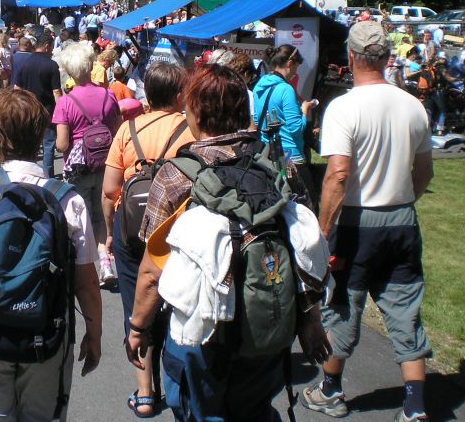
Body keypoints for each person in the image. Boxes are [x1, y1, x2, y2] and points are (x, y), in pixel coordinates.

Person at [125, 64, 331, 421]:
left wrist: (138, 328)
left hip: (200, 334)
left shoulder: (175, 177)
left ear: (194, 112)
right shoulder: (277, 167)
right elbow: (302, 250)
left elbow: (152, 270)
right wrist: (311, 320)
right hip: (266, 327)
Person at [0, 88, 102, 421]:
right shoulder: (68, 200)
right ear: (42, 132)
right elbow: (86, 281)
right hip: (46, 334)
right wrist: (94, 333)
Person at [301, 20, 433, 422]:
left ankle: (330, 390)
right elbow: (425, 172)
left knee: (342, 305)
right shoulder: (413, 105)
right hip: (402, 218)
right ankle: (414, 406)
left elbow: (338, 175)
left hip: (359, 223)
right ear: (388, 57)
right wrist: (400, 196)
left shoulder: (343, 107)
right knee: (405, 306)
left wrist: (323, 233)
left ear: (351, 57)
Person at [102, 62, 194, 417]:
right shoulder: (190, 129)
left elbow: (110, 190)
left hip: (132, 230)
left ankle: (144, 393)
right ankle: (176, 382)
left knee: (135, 308)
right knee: (178, 304)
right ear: (178, 94)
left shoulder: (128, 131)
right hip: (176, 231)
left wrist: (110, 232)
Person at [53, 42, 121, 286]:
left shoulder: (65, 102)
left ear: (69, 71)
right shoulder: (108, 95)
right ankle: (106, 263)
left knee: (78, 217)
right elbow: (116, 129)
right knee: (102, 216)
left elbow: (61, 145)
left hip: (78, 169)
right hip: (105, 164)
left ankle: (83, 269)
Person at [252, 45, 317, 207]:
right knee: (307, 204)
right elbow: (296, 128)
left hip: (267, 153)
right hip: (290, 156)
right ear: (289, 63)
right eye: (296, 67)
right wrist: (304, 110)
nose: (296, 72)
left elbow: (257, 117)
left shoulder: (259, 85)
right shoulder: (285, 89)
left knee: (280, 203)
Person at [12, 32, 63, 178]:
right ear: (47, 46)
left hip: (28, 111)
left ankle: (30, 174)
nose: (52, 50)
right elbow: (57, 92)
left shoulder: (24, 63)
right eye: (52, 47)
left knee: (29, 144)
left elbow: (17, 89)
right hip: (47, 111)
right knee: (48, 145)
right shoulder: (52, 65)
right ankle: (47, 176)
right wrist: (62, 112)